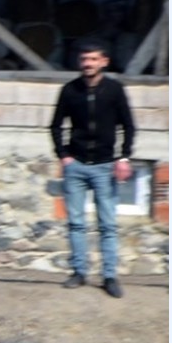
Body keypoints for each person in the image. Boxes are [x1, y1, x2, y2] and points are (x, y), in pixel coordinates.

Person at [49, 40, 136, 299]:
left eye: (93, 59)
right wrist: (63, 155)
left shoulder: (114, 90)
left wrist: (124, 157)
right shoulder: (70, 90)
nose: (88, 64)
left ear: (104, 62)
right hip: (75, 165)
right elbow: (55, 125)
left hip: (105, 165)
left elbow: (128, 126)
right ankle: (79, 272)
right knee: (76, 223)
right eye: (84, 59)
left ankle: (109, 276)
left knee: (107, 224)